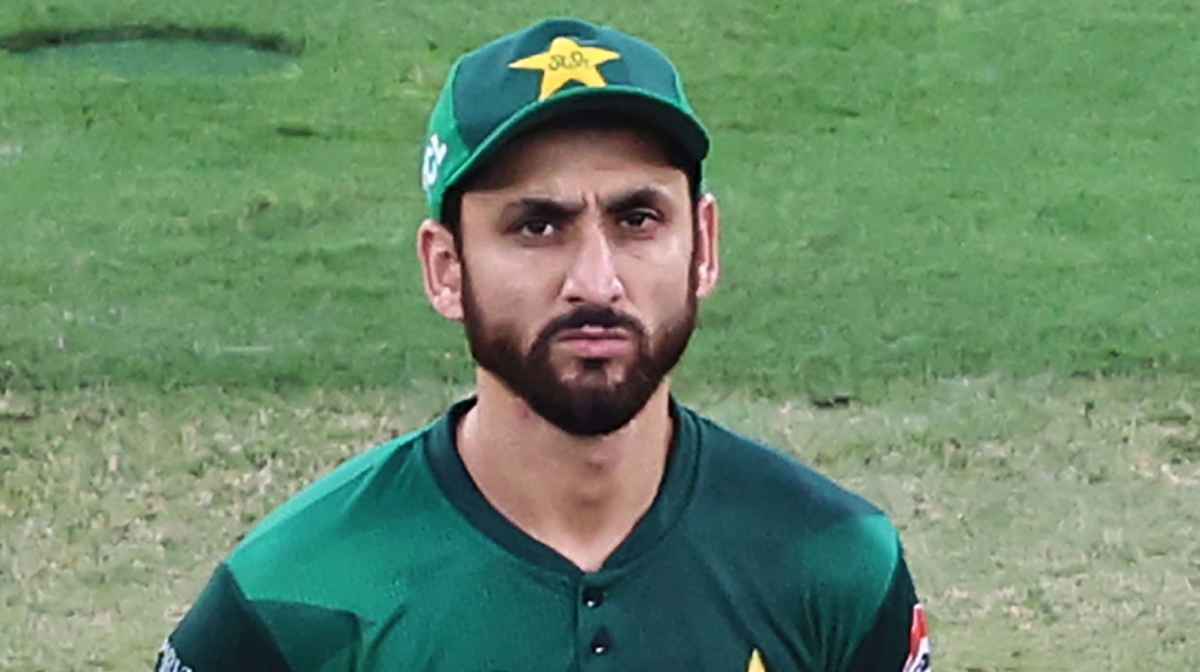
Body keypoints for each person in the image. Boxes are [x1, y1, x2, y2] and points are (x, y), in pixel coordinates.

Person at [155, 17, 931, 672]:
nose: (596, 282)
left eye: (638, 220)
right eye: (537, 226)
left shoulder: (835, 565)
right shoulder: (296, 596)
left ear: (705, 247)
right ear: (446, 268)